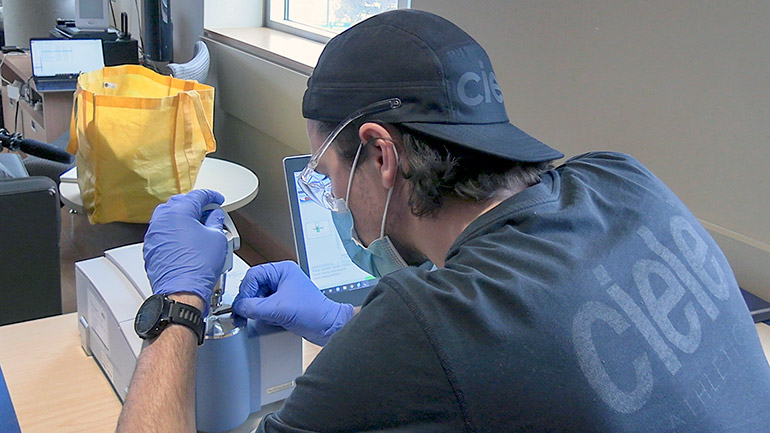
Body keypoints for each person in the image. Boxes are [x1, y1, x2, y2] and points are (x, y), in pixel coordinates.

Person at [116, 9, 770, 433]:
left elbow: (453, 343)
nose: (330, 194)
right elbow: (510, 358)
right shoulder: (623, 178)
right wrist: (342, 321)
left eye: (326, 170)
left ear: (380, 154)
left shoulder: (427, 318)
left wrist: (178, 302)